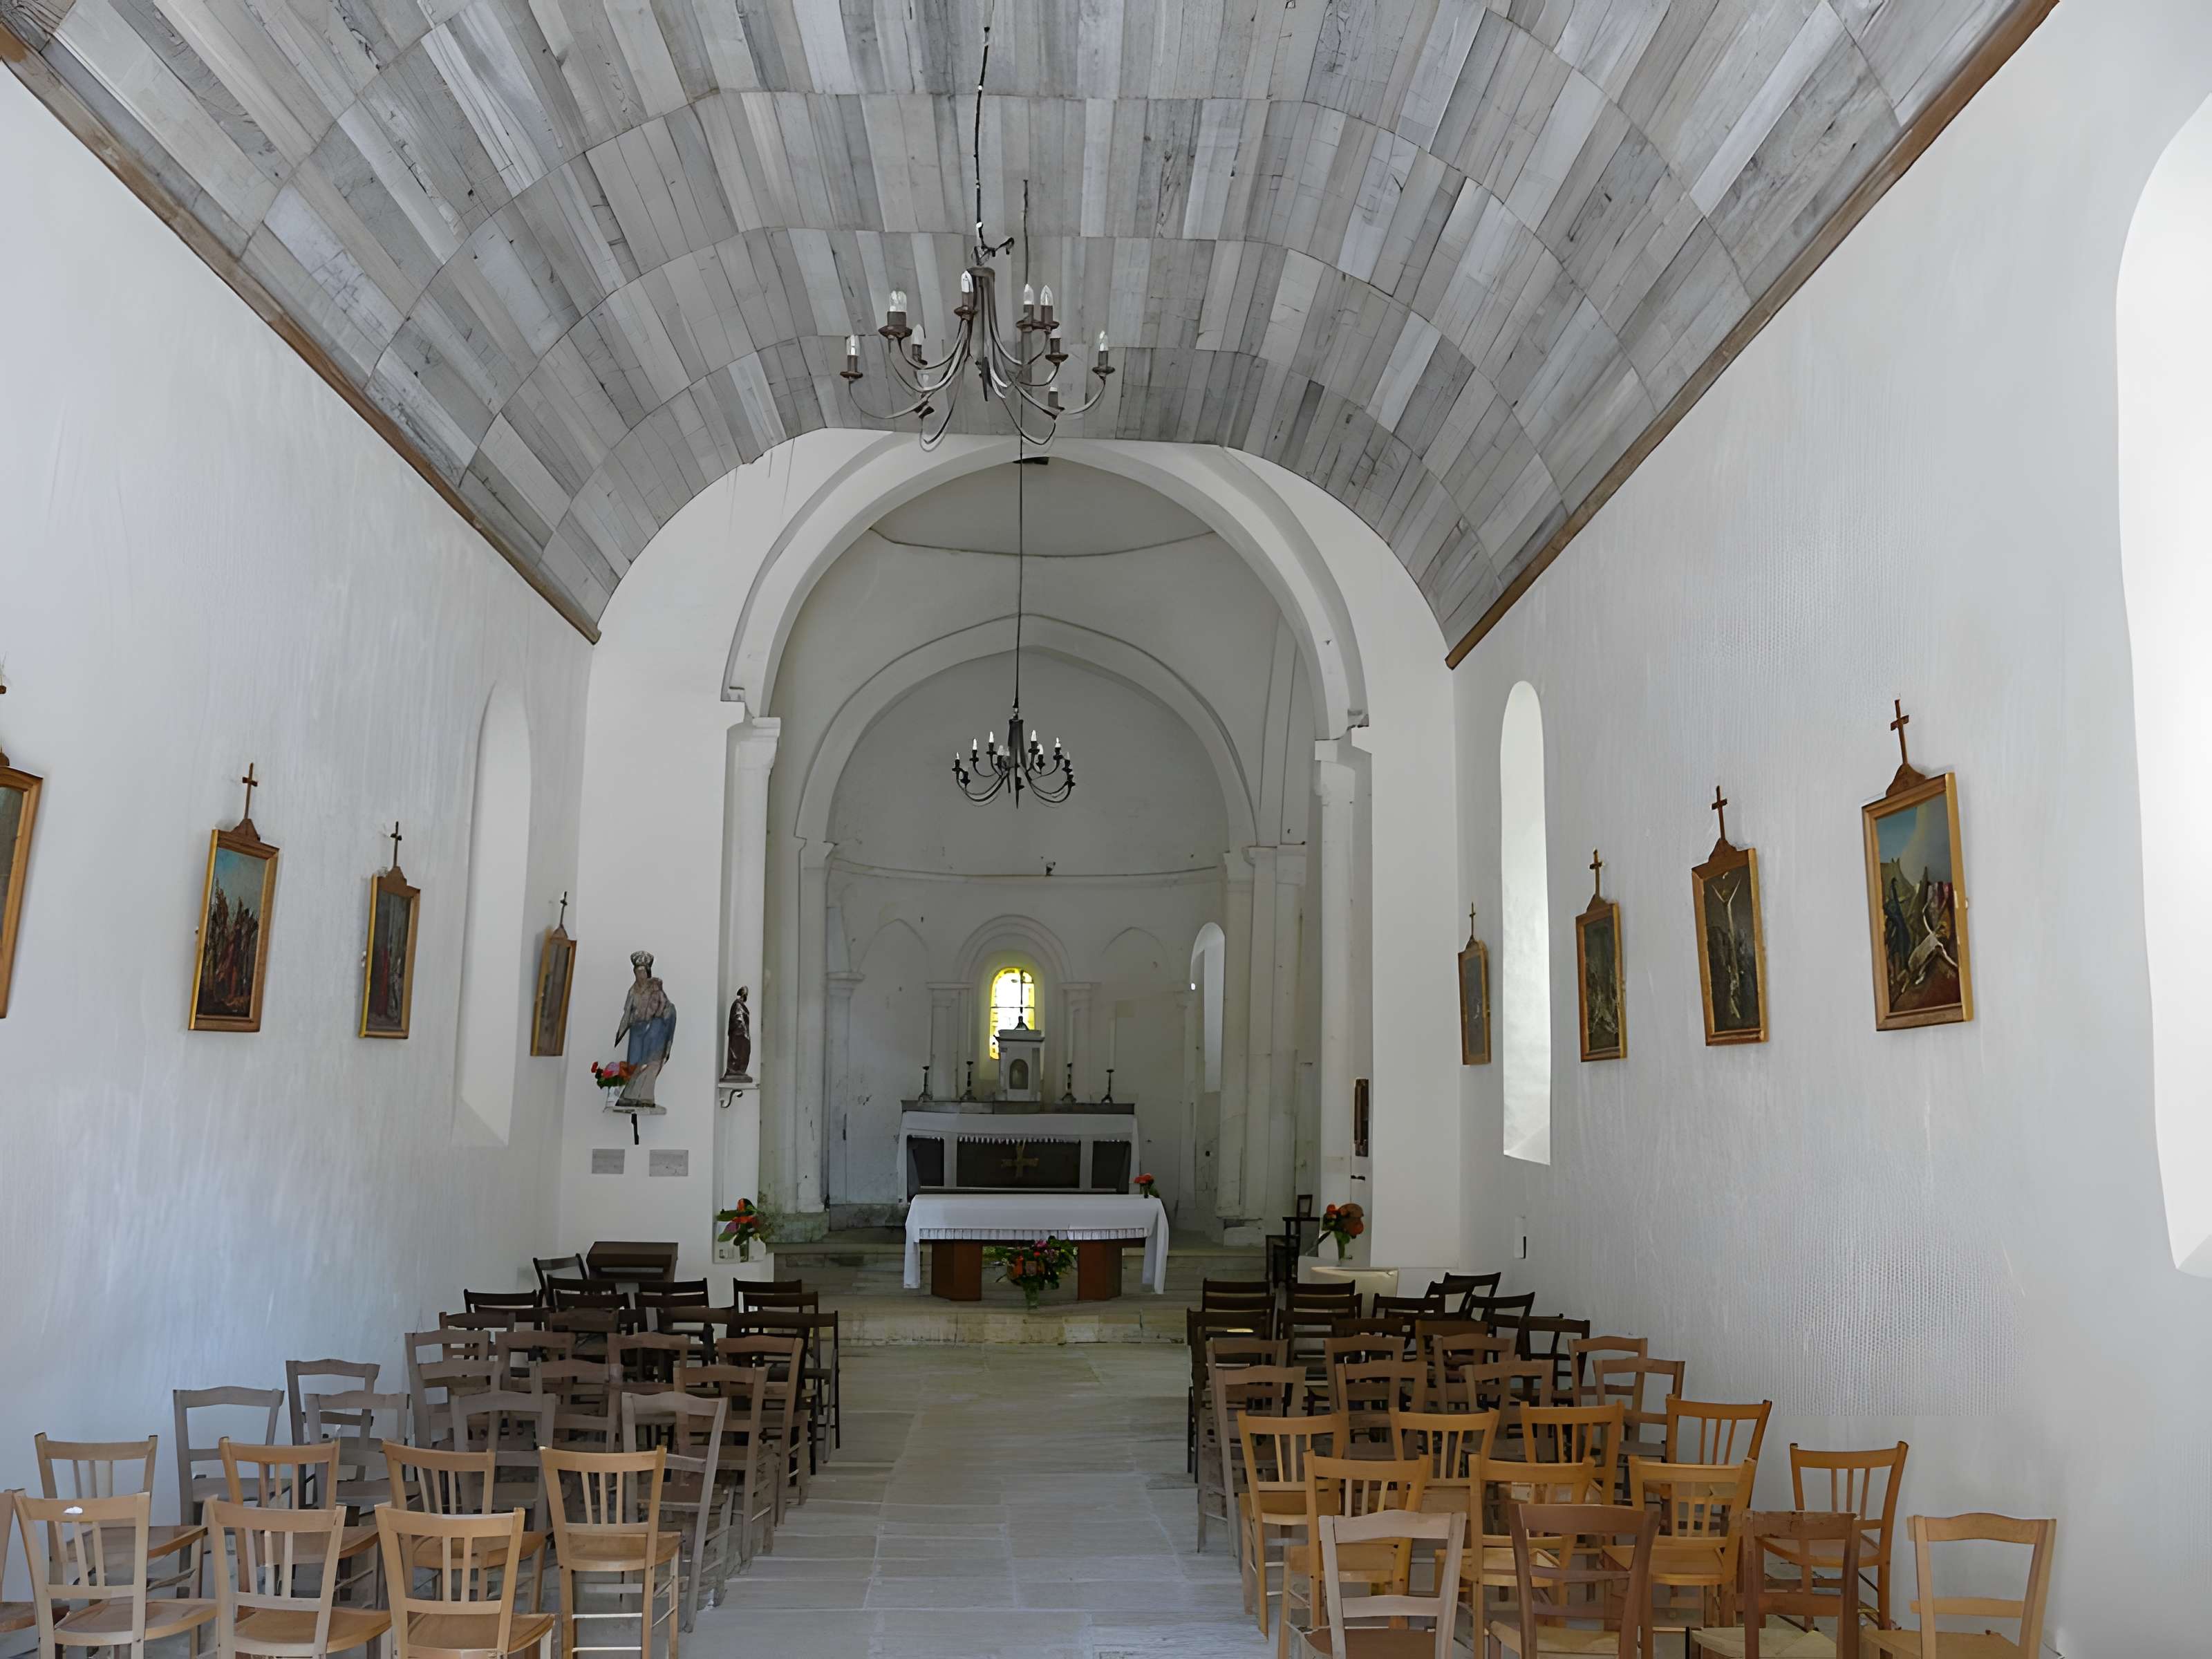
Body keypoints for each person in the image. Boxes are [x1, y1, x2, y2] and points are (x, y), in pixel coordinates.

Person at [615, 950, 677, 1107]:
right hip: (637, 1031)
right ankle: (630, 1095)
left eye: (643, 972)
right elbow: (627, 1014)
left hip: (652, 1033)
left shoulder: (655, 989)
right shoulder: (633, 991)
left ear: (647, 972)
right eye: (637, 972)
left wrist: (663, 1017)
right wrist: (619, 1035)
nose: (640, 975)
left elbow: (665, 1008)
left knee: (650, 1063)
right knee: (634, 1064)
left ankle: (645, 1096)